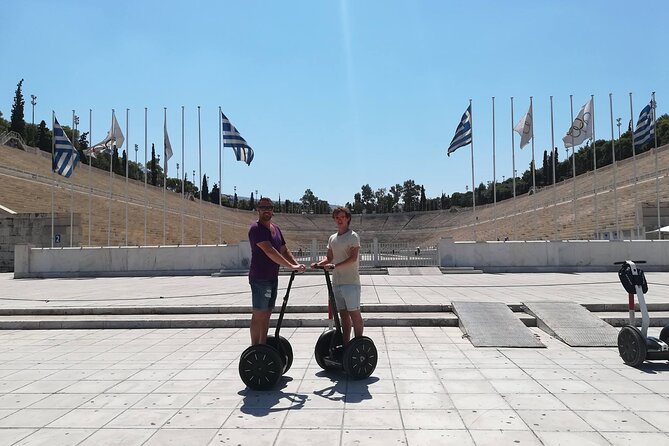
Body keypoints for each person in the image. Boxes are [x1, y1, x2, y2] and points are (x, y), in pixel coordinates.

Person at [248, 197, 305, 345]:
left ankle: (263, 344)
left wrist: (297, 265)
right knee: (259, 314)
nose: (267, 210)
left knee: (267, 313)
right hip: (260, 278)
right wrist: (291, 267)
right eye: (263, 207)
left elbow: (284, 250)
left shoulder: (276, 229)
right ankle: (255, 348)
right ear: (258, 209)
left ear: (273, 210)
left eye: (269, 207)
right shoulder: (256, 229)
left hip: (272, 277)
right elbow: (270, 251)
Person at [312, 206, 362, 345]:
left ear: (348, 219)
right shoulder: (332, 238)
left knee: (354, 314)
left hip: (351, 282)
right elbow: (329, 258)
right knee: (343, 317)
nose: (339, 220)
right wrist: (318, 264)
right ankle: (346, 346)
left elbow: (353, 258)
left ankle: (358, 344)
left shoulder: (353, 236)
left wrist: (335, 266)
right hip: (337, 282)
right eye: (337, 218)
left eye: (342, 217)